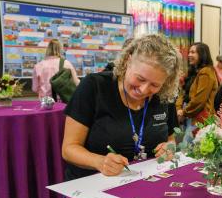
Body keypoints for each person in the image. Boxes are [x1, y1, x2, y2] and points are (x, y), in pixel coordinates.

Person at [62, 34, 182, 180]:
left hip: (145, 184)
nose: (144, 90)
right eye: (140, 79)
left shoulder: (164, 95)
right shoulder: (94, 87)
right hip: (93, 184)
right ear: (127, 61)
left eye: (155, 85)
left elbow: (171, 139)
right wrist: (99, 162)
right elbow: (69, 149)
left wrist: (169, 148)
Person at [177, 42, 218, 142]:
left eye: (193, 52)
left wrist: (184, 112)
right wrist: (179, 109)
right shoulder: (194, 72)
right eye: (189, 52)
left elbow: (199, 100)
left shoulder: (206, 72)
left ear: (202, 54)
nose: (189, 55)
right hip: (190, 115)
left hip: (199, 118)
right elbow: (184, 94)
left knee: (189, 150)